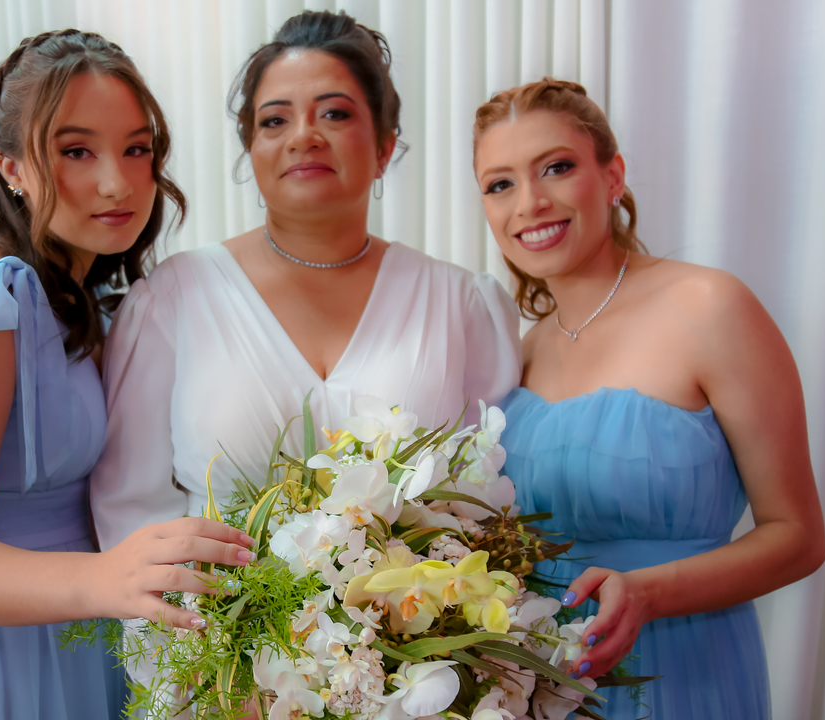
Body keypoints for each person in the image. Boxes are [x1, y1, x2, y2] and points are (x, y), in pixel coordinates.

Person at [0, 30, 254, 720]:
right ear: (10, 166)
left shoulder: (95, 304)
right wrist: (105, 576)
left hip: (82, 630)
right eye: (76, 151)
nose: (117, 182)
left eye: (136, 149)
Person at [90, 10, 523, 551]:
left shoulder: (462, 305)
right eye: (274, 121)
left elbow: (490, 500)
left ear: (384, 147)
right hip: (209, 605)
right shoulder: (173, 299)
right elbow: (131, 511)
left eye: (335, 114)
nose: (303, 137)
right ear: (251, 149)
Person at [475, 78, 825, 718]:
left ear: (613, 177)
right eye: (500, 184)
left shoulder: (710, 307)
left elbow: (799, 537)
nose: (529, 202)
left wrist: (649, 594)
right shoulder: (520, 351)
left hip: (684, 669)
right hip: (545, 685)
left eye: (556, 167)